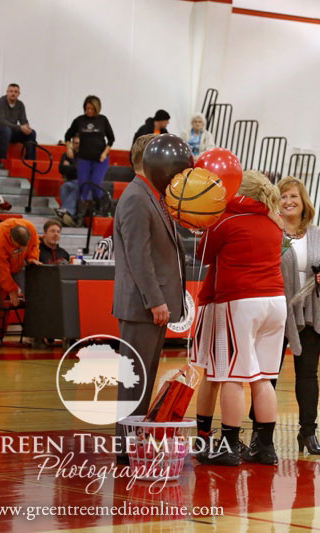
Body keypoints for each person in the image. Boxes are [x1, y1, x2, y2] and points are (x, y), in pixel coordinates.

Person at [192, 170, 286, 466]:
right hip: (276, 301)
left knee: (230, 374)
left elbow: (202, 254)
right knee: (262, 378)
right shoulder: (274, 222)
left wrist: (207, 219)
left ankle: (228, 446)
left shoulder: (227, 219)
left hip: (242, 300)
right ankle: (265, 447)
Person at [247, 177, 320, 456]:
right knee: (267, 376)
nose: (288, 201)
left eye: (294, 196)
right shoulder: (271, 230)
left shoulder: (319, 234)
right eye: (283, 197)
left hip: (309, 313)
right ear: (276, 202)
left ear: (303, 200)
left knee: (308, 375)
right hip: (276, 312)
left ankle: (308, 433)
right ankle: (261, 436)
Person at [112, 134, 185, 462]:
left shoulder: (151, 195)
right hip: (142, 306)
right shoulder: (137, 197)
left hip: (150, 306)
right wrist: (155, 299)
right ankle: (125, 448)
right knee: (134, 382)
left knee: (143, 379)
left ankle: (134, 442)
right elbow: (139, 257)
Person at [0, 218, 41, 349]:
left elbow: (35, 244)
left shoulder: (30, 228)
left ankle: (33, 334)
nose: (22, 249)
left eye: (25, 246)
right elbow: (0, 269)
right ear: (11, 239)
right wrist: (12, 289)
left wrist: (32, 258)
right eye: (19, 247)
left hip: (17, 266)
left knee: (35, 295)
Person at [64, 96, 114, 202]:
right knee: (83, 185)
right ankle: (82, 212)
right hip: (84, 158)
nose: (89, 111)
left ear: (97, 108)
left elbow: (111, 138)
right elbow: (68, 135)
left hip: (100, 159)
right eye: (87, 108)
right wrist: (68, 148)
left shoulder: (103, 120)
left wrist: (104, 153)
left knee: (95, 184)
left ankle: (98, 206)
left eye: (92, 109)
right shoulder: (79, 120)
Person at [0, 84, 36, 168]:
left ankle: (30, 163)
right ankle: (2, 161)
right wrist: (20, 127)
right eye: (11, 91)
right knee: (5, 130)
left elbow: (23, 120)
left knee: (32, 133)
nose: (13, 94)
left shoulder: (20, 104)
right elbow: (0, 121)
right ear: (7, 92)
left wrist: (26, 127)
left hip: (10, 131)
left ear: (19, 94)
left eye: (15, 92)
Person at [56, 136, 80, 226]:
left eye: (79, 143)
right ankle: (67, 216)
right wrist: (73, 167)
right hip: (70, 180)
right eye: (76, 143)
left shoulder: (84, 156)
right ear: (72, 144)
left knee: (78, 186)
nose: (78, 145)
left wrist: (70, 165)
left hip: (82, 181)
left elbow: (80, 170)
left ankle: (67, 211)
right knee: (64, 187)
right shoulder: (65, 155)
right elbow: (61, 169)